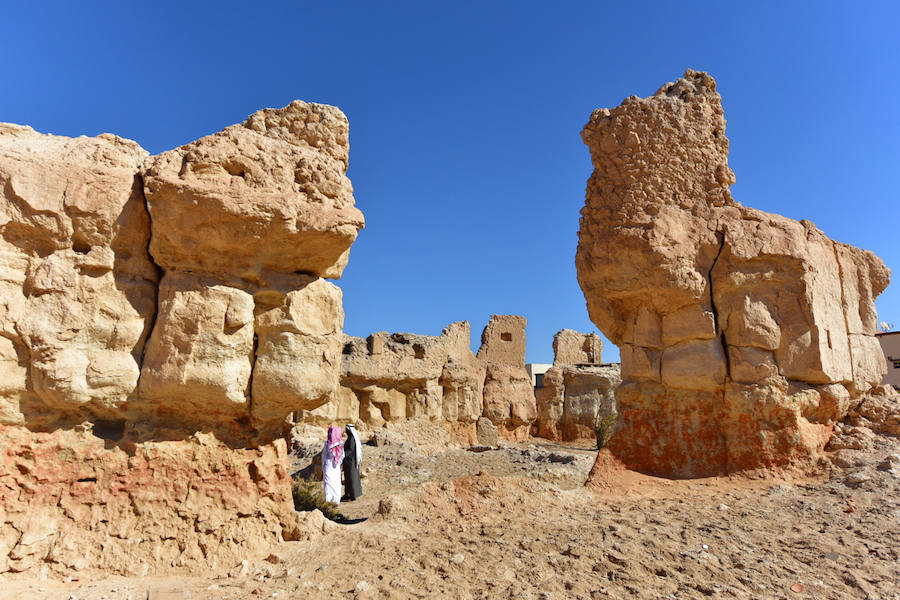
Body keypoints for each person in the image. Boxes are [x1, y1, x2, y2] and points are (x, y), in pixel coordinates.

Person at [322, 425, 344, 505]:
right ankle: (336, 500)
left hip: (328, 466)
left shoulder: (327, 444)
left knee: (329, 483)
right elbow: (342, 456)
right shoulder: (341, 444)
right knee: (336, 483)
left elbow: (324, 456)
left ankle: (329, 500)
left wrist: (323, 465)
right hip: (336, 467)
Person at [342, 423, 363, 500]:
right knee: (348, 479)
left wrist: (341, 454)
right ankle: (348, 495)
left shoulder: (351, 439)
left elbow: (349, 451)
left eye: (347, 430)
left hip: (350, 463)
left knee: (351, 479)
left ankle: (352, 496)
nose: (346, 431)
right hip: (350, 462)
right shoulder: (351, 438)